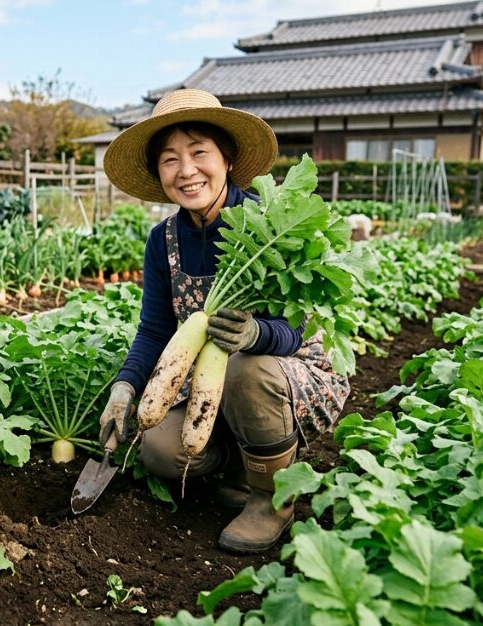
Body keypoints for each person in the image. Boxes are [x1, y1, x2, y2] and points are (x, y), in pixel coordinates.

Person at [98, 89, 350, 553]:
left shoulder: (265, 224)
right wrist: (125, 386)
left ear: (227, 159)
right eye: (170, 159)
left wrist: (255, 332)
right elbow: (155, 329)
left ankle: (272, 497)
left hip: (281, 368)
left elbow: (294, 329)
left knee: (244, 370)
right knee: (158, 449)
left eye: (199, 153)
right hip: (209, 379)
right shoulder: (163, 239)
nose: (187, 170)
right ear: (159, 172)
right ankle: (239, 464)